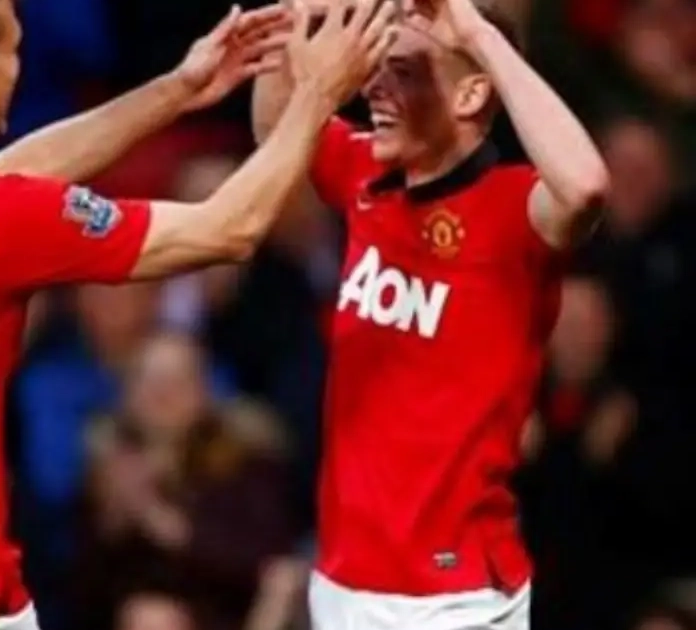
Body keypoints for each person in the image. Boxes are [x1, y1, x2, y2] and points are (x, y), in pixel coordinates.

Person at [0, 1, 397, 630]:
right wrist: (316, 96)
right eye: (12, 51)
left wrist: (177, 90)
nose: (20, 67)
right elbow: (228, 228)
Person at [252, 0, 610, 628]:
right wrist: (305, 12)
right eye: (379, 65)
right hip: (342, 579)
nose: (374, 87)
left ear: (471, 94)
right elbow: (276, 127)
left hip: (452, 596)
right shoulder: (366, 173)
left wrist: (474, 31)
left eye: (405, 71)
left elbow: (584, 186)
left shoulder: (514, 209)